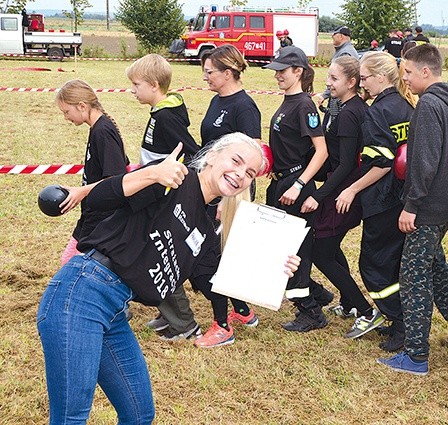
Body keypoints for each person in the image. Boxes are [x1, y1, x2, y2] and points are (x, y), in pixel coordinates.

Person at [37, 133, 301, 424]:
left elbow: (217, 283)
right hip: (83, 293)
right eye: (236, 161)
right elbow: (101, 200)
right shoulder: (174, 179)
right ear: (212, 156)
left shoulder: (206, 225)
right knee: (71, 417)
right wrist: (150, 174)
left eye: (250, 173)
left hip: (114, 311)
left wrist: (274, 268)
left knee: (139, 414)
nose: (240, 174)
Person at [378, 43, 448, 375]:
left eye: (407, 72)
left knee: (413, 276)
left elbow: (424, 161)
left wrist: (412, 206)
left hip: (429, 204)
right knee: (435, 264)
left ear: (425, 71)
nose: (404, 78)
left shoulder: (428, 106)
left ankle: (416, 355)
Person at [336, 51, 416, 352]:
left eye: (366, 77)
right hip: (403, 197)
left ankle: (398, 322)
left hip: (382, 199)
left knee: (374, 265)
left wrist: (351, 190)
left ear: (381, 78)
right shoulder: (407, 104)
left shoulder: (377, 112)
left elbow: (382, 163)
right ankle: (401, 321)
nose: (363, 84)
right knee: (395, 263)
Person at [301, 56, 383, 338]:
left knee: (322, 252)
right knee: (330, 247)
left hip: (344, 191)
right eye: (328, 77)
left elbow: (346, 164)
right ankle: (349, 303)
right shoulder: (347, 107)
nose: (328, 82)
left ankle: (366, 310)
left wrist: (320, 194)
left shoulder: (350, 114)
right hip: (339, 187)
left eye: (334, 79)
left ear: (351, 82)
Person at [125, 53, 202, 342]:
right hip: (150, 193)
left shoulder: (167, 116)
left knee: (158, 254)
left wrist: (181, 188)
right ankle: (168, 313)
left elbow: (192, 151)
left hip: (159, 198)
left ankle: (183, 322)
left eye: (136, 85)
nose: (133, 90)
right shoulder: (161, 113)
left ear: (154, 85)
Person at [195, 44, 263, 347]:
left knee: (214, 257)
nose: (205, 76)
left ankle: (222, 326)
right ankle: (243, 311)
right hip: (211, 188)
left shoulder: (244, 107)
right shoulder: (216, 100)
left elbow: (253, 158)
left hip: (232, 193)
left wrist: (228, 200)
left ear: (228, 72)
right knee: (219, 254)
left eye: (210, 72)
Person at [263, 46, 330, 331]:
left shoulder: (304, 105)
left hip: (295, 185)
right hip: (281, 182)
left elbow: (321, 151)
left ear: (298, 72)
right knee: (280, 248)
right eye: (276, 70)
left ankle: (311, 312)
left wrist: (300, 184)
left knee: (293, 252)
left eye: (282, 70)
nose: (277, 75)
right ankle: (317, 293)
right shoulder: (289, 101)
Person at [54, 80, 129, 266]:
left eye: (66, 112)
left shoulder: (102, 132)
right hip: (91, 212)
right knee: (72, 262)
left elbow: (116, 179)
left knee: (73, 264)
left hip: (102, 217)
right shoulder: (97, 128)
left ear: (81, 106)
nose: (66, 117)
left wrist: (82, 191)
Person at [313, 26, 359, 114]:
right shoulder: (345, 51)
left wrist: (325, 95)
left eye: (334, 34)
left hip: (340, 100)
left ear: (341, 36)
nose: (332, 37)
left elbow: (340, 79)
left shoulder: (345, 53)